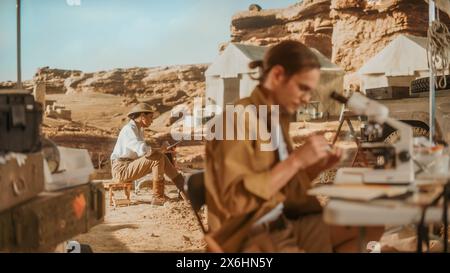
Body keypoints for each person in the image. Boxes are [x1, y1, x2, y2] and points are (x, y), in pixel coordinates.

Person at [204, 40, 383, 252]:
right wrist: (296, 161)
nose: (306, 99)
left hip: (283, 223)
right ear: (278, 75)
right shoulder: (236, 120)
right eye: (302, 88)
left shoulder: (276, 118)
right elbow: (235, 202)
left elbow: (280, 187)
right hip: (249, 236)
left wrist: (312, 168)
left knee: (370, 224)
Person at [110, 103, 186, 206]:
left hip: (129, 166)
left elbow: (144, 153)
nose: (152, 120)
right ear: (142, 116)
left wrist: (160, 151)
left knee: (161, 156)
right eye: (150, 117)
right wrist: (160, 149)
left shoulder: (138, 130)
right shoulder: (129, 129)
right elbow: (142, 149)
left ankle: (184, 190)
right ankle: (158, 197)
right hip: (121, 169)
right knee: (158, 157)